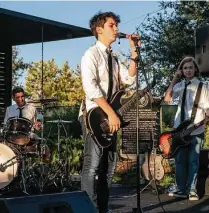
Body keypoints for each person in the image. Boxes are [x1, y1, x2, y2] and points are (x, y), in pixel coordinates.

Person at [78, 12, 139, 213]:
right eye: (112, 25)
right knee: (92, 164)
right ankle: (87, 208)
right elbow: (91, 88)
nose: (116, 29)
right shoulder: (91, 55)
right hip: (94, 114)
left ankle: (103, 208)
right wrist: (111, 113)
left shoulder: (113, 58)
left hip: (111, 115)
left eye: (116, 25)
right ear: (99, 29)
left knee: (109, 166)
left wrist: (134, 54)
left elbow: (129, 80)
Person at [164, 56, 209, 201]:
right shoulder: (178, 86)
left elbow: (208, 104)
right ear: (182, 70)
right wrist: (174, 79)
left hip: (196, 128)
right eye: (185, 68)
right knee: (179, 161)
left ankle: (192, 190)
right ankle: (181, 189)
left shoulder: (201, 86)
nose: (188, 70)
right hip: (179, 130)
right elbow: (167, 98)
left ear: (195, 69)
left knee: (193, 161)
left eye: (191, 67)